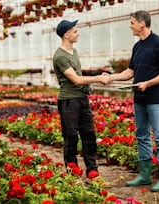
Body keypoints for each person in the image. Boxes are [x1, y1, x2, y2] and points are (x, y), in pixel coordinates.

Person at [107, 10, 159, 192]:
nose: (130, 26)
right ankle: (145, 176)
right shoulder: (138, 47)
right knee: (142, 135)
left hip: (156, 98)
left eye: (132, 22)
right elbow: (130, 72)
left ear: (141, 23)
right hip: (140, 99)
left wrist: (148, 83)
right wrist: (112, 78)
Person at [52, 19, 111, 179]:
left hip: (82, 99)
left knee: (89, 135)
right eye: (75, 31)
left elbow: (80, 78)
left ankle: (93, 171)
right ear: (66, 35)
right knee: (71, 138)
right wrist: (98, 78)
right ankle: (73, 174)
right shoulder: (59, 56)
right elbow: (76, 80)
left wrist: (89, 84)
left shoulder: (74, 52)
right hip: (69, 102)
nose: (78, 34)